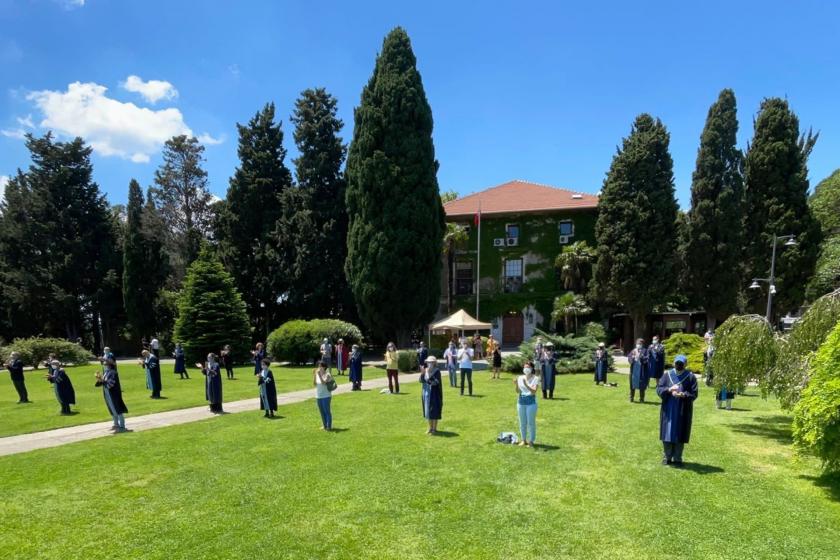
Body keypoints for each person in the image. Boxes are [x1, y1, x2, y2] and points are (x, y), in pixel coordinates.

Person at [656, 354, 699, 466]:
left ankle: (678, 458)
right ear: (674, 363)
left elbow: (694, 393)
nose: (679, 365)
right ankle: (667, 457)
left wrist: (683, 395)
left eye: (681, 363)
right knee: (667, 432)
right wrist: (669, 389)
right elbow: (659, 389)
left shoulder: (690, 377)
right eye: (677, 363)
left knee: (680, 432)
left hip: (682, 410)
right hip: (668, 409)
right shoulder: (667, 375)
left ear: (685, 364)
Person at [95, 358, 128, 433]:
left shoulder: (113, 372)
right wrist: (99, 378)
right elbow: (102, 382)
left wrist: (102, 380)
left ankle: (122, 426)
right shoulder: (106, 372)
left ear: (109, 365)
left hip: (114, 393)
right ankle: (116, 424)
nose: (104, 366)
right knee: (111, 408)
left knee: (117, 408)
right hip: (107, 393)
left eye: (105, 364)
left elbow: (111, 383)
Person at [515, 361, 540, 447]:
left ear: (531, 368)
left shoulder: (536, 378)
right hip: (521, 402)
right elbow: (518, 391)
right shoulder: (520, 377)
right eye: (525, 367)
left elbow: (533, 392)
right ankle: (523, 440)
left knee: (531, 423)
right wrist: (516, 385)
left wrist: (526, 385)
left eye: (528, 367)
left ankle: (531, 441)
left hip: (531, 403)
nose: (526, 369)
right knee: (522, 422)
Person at [420, 356, 443, 434]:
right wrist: (423, 374)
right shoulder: (425, 370)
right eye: (428, 362)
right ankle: (429, 428)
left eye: (431, 362)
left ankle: (434, 429)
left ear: (434, 363)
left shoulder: (437, 371)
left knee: (434, 411)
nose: (430, 363)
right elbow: (421, 381)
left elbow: (435, 383)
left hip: (434, 394)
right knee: (427, 411)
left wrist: (429, 375)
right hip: (426, 393)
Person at [628, 338, 650, 403]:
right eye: (637, 344)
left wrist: (641, 357)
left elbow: (647, 358)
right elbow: (629, 357)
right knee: (632, 384)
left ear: (642, 344)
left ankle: (641, 399)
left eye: (640, 344)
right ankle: (631, 398)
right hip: (634, 371)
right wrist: (632, 358)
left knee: (642, 385)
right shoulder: (633, 350)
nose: (638, 345)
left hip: (642, 371)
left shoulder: (645, 351)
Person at [314, 361, 333, 430]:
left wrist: (319, 375)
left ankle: (329, 426)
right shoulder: (317, 374)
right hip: (318, 396)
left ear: (324, 367)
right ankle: (324, 425)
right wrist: (314, 375)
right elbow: (315, 384)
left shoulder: (327, 374)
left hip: (326, 396)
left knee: (327, 411)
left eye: (320, 366)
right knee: (321, 412)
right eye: (318, 366)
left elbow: (323, 383)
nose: (319, 368)